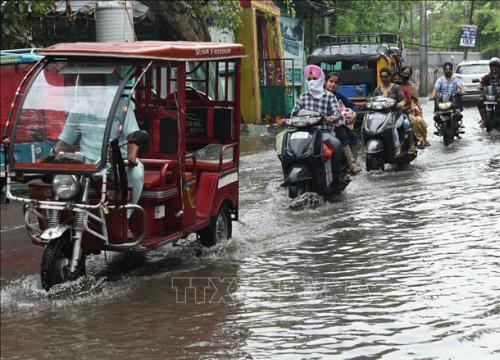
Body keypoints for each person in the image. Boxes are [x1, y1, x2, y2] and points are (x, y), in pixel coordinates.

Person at [55, 74, 143, 239]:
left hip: (117, 161)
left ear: (102, 85)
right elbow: (64, 142)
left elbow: (134, 137)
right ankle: (67, 219)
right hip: (88, 161)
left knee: (136, 174)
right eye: (86, 84)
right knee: (61, 181)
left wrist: (131, 159)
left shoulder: (122, 106)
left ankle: (125, 221)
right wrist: (53, 156)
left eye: (93, 83)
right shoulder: (78, 109)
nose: (90, 88)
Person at [289, 64, 352, 176]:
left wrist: (329, 118)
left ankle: (337, 176)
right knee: (288, 148)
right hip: (305, 133)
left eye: (314, 78)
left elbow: (337, 114)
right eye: (309, 79)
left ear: (321, 79)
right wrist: (288, 120)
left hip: (324, 133)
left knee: (335, 146)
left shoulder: (329, 96)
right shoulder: (302, 97)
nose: (312, 81)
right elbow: (294, 114)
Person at [324, 71, 362, 175]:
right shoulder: (321, 95)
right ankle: (351, 163)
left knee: (354, 137)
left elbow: (352, 105)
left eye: (335, 83)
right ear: (325, 81)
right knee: (343, 136)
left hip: (338, 123)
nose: (333, 84)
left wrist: (354, 114)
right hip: (326, 125)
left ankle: (352, 164)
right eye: (331, 81)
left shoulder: (338, 96)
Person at [373, 67, 415, 155]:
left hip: (396, 115)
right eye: (382, 77)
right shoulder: (377, 90)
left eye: (386, 76)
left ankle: (397, 146)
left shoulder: (396, 88)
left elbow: (404, 100)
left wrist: (399, 104)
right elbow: (373, 101)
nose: (383, 79)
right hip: (381, 116)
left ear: (390, 77)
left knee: (392, 126)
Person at [398, 66, 430, 148]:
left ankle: (424, 139)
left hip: (412, 107)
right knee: (413, 121)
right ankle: (421, 140)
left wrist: (418, 110)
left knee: (419, 120)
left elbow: (415, 99)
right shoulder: (397, 85)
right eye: (404, 73)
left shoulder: (412, 85)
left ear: (410, 75)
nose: (406, 75)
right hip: (402, 109)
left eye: (408, 74)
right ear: (401, 73)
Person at [477, 57, 500, 128]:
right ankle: (484, 119)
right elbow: (480, 84)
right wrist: (480, 87)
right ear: (490, 68)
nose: (494, 68)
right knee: (480, 101)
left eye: (496, 67)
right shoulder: (486, 77)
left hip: (499, 96)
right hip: (489, 95)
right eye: (492, 67)